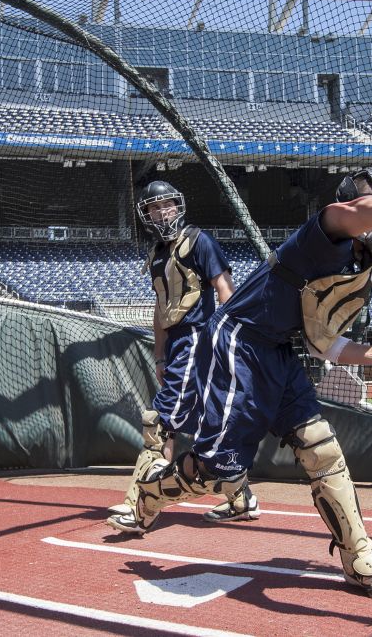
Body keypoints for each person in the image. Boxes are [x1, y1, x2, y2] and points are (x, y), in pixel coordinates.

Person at [106, 168, 372, 602]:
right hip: (239, 341)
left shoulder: (358, 271)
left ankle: (358, 553)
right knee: (218, 473)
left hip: (278, 354)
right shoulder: (325, 234)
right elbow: (361, 211)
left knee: (322, 449)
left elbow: (322, 342)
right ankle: (153, 494)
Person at [108, 179, 261, 525]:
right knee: (206, 425)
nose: (163, 212)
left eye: (168, 205)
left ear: (178, 206)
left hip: (198, 337)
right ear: (145, 214)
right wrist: (160, 356)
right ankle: (241, 499)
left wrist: (232, 341)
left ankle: (139, 505)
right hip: (177, 345)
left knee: (159, 422)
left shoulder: (198, 240)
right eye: (154, 207)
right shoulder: (156, 255)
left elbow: (226, 290)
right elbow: (161, 310)